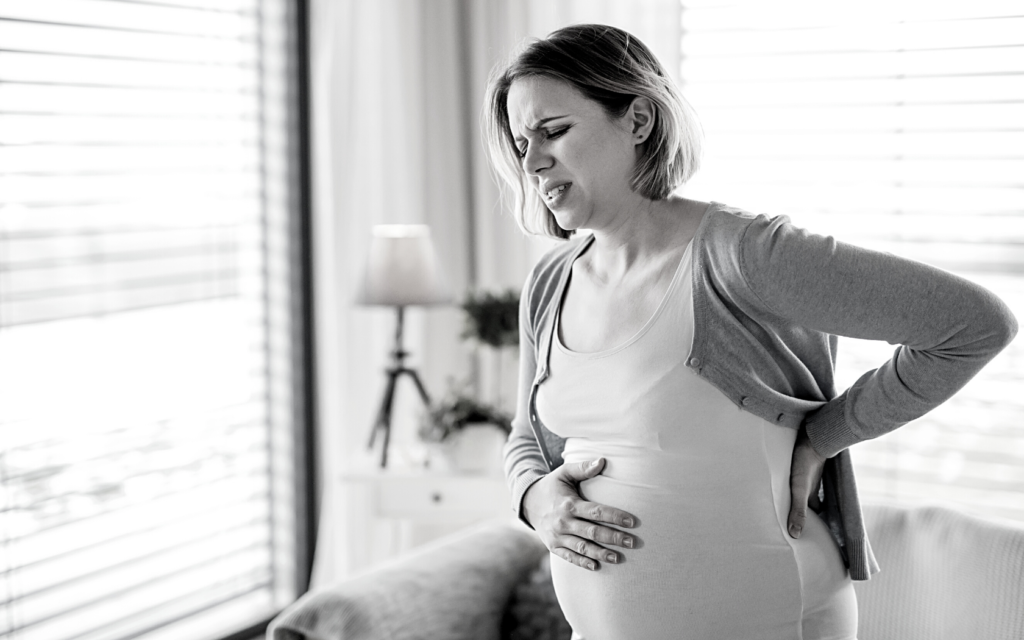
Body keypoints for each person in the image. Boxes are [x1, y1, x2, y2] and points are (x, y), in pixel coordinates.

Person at [483, 23, 1018, 640]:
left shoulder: (742, 255)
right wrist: (533, 499)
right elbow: (526, 433)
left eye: (554, 131)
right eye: (522, 142)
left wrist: (826, 433)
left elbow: (974, 326)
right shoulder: (551, 281)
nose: (531, 161)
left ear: (638, 121)